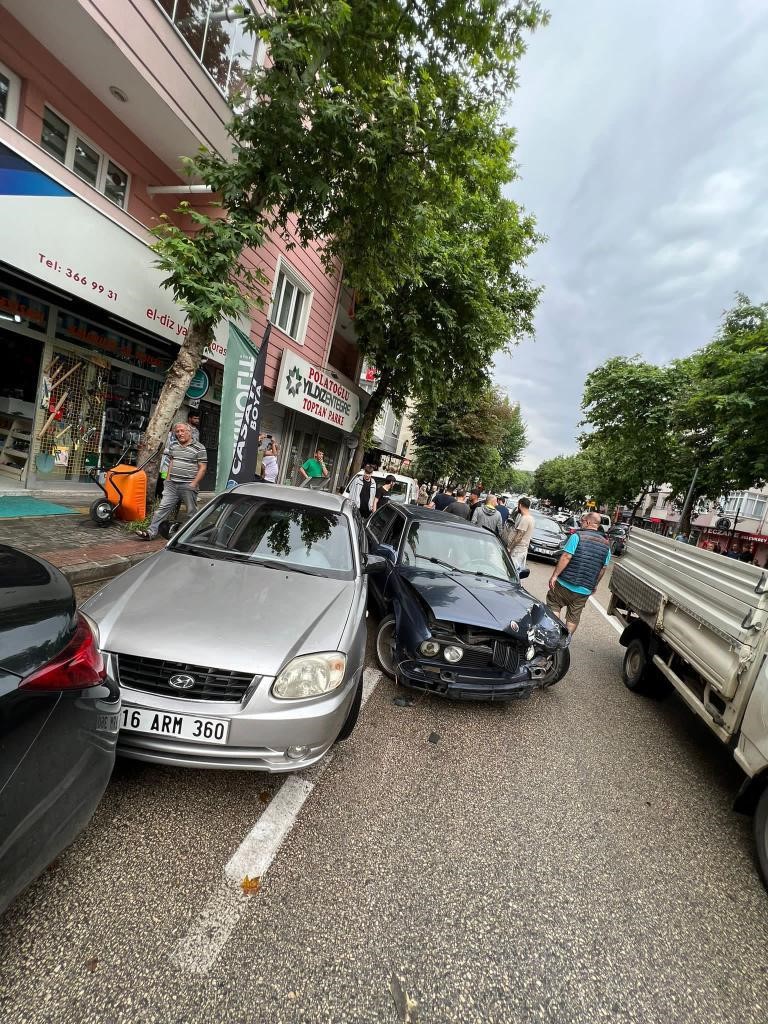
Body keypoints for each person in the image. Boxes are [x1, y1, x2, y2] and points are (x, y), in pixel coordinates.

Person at [137, 422, 207, 540]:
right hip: (172, 485)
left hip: (188, 485)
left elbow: (203, 468)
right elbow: (171, 462)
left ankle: (192, 536)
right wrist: (167, 480)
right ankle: (151, 532)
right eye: (177, 431)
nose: (180, 433)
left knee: (191, 512)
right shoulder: (174, 446)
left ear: (189, 432)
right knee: (162, 509)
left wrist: (194, 484)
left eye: (182, 431)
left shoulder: (199, 447)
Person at [546, 511, 611, 634]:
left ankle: (553, 635)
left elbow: (566, 556)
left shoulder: (577, 536)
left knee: (554, 604)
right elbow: (603, 568)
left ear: (588, 522)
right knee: (573, 617)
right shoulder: (606, 544)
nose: (581, 524)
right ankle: (565, 641)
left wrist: (555, 576)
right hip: (584, 589)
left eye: (582, 521)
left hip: (564, 583)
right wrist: (594, 585)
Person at [507, 496, 535, 569]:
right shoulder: (531, 518)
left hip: (518, 550)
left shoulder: (525, 519)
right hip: (522, 550)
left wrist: (509, 548)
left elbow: (519, 536)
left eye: (517, 505)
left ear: (520, 505)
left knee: (511, 570)